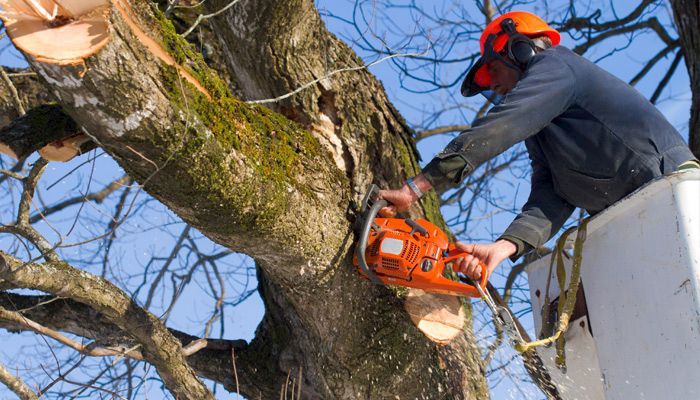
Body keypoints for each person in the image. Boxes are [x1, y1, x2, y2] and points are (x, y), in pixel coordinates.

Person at [379, 11, 699, 281]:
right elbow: (552, 194)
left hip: (671, 189)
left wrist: (415, 188)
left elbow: (503, 125)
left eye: (493, 71)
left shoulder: (557, 66)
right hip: (636, 218)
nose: (496, 87)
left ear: (519, 50)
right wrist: (503, 248)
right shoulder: (544, 128)